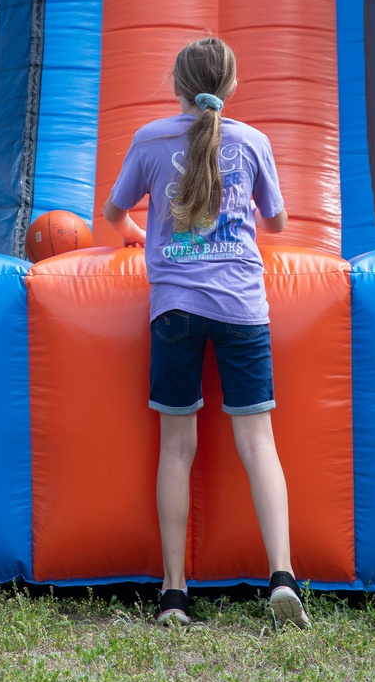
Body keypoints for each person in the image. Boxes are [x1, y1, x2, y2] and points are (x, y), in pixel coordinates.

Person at [103, 36, 309, 631]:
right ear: (232, 87)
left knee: (176, 449)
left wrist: (142, 237)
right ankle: (282, 576)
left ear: (175, 83)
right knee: (258, 444)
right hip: (243, 306)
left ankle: (173, 594)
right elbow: (276, 220)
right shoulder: (253, 142)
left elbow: (115, 215)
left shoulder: (149, 140)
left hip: (174, 308)